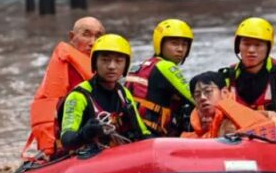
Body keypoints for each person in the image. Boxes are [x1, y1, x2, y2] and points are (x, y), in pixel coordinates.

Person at [23, 17, 105, 159]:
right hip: (69, 139)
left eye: (98, 36)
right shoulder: (67, 66)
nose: (93, 42)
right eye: (86, 35)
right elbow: (57, 109)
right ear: (72, 37)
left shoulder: (103, 67)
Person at [59, 34, 151, 151]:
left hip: (118, 155)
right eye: (105, 60)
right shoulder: (78, 96)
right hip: (86, 160)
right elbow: (66, 140)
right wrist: (85, 133)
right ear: (95, 63)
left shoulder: (124, 93)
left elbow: (143, 131)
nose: (112, 66)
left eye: (118, 61)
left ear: (125, 65)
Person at [220, 17, 276, 137]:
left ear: (268, 48)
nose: (251, 50)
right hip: (239, 138)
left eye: (258, 45)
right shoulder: (227, 76)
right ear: (238, 46)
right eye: (246, 44)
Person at [124, 19, 195, 136]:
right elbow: (194, 99)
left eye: (184, 44)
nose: (180, 49)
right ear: (160, 44)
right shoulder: (165, 67)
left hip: (130, 133)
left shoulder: (143, 66)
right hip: (151, 137)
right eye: (174, 43)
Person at [182, 71, 276, 140]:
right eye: (197, 95)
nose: (202, 97)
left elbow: (272, 115)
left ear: (224, 93)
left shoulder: (233, 120)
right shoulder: (196, 123)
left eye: (208, 91)